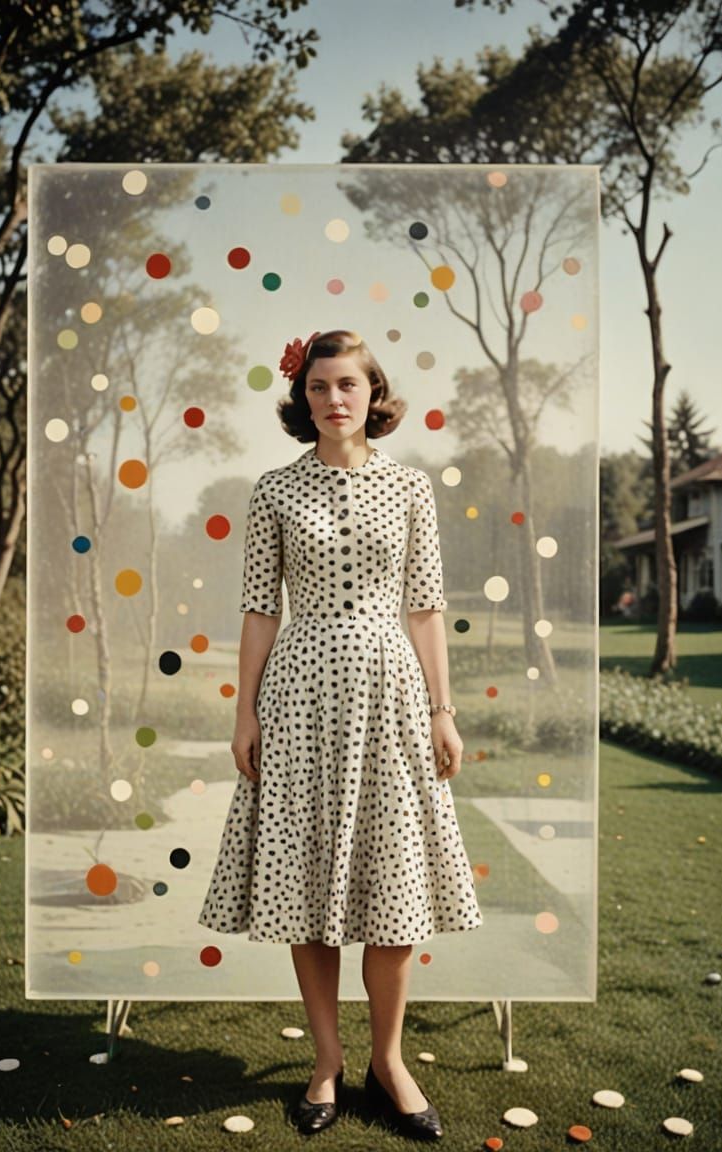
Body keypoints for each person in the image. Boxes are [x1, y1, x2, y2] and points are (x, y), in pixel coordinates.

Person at [199, 329, 482, 1140]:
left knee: (394, 888)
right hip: (298, 699)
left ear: (372, 392)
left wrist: (443, 709)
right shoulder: (274, 492)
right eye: (319, 387)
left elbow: (425, 607)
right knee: (307, 886)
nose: (333, 399)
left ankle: (386, 1062)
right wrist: (244, 711)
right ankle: (325, 1062)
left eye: (347, 384)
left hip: (391, 695)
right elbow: (259, 610)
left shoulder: (412, 490)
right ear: (303, 397)